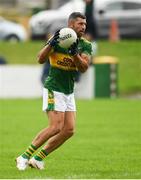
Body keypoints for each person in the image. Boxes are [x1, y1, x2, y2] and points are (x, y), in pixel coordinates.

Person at [16, 12, 92, 170]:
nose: (83, 27)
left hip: (68, 91)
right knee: (55, 127)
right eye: (80, 24)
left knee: (69, 130)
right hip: (54, 88)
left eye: (85, 24)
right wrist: (51, 44)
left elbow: (84, 68)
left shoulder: (85, 45)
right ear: (71, 25)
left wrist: (74, 55)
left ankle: (37, 159)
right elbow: (40, 59)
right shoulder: (57, 40)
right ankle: (23, 157)